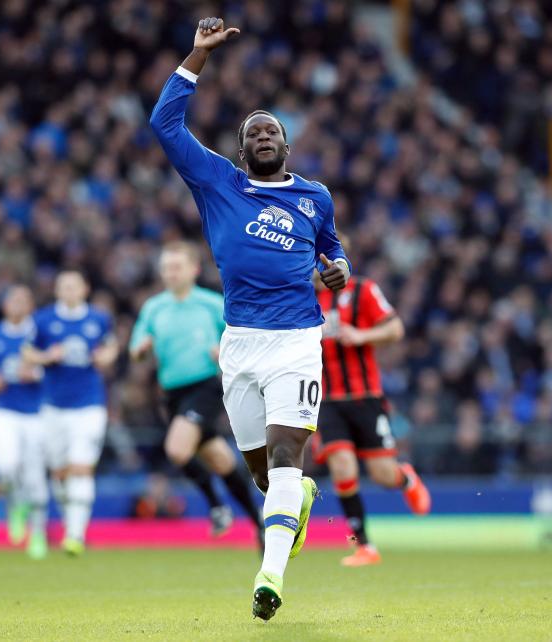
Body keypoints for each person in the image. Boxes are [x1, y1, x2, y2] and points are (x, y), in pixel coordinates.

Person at [150, 17, 351, 621]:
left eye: (274, 131)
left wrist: (336, 267)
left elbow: (332, 248)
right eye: (254, 132)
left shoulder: (313, 197)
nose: (264, 136)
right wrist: (197, 56)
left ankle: (270, 576)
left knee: (288, 454)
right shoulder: (218, 183)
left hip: (296, 339)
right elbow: (164, 124)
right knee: (263, 472)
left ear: (286, 147)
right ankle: (298, 500)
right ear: (242, 151)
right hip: (238, 344)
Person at [130, 241, 264, 544]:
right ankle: (259, 523)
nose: (170, 273)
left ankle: (217, 507)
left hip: (204, 387)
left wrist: (225, 354)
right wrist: (140, 351)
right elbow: (136, 349)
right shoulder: (154, 308)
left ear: (194, 269)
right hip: (171, 396)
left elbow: (242, 342)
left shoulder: (212, 304)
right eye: (166, 268)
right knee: (220, 460)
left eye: (176, 267)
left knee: (177, 449)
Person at [312, 260, 431, 567]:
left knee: (382, 474)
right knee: (342, 467)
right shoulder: (301, 297)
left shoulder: (363, 289)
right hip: (326, 401)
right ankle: (364, 546)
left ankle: (405, 479)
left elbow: (395, 328)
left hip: (366, 398)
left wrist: (362, 336)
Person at [23, 271, 117, 556]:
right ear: (57, 290)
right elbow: (27, 352)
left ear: (85, 288)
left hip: (89, 405)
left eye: (74, 286)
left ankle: (76, 535)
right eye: (63, 286)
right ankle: (70, 525)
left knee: (81, 465)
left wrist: (106, 357)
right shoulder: (43, 320)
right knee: (60, 472)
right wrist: (45, 357)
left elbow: (112, 346)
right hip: (53, 406)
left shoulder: (98, 318)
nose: (69, 291)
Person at [0, 285, 49, 559]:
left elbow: (55, 366)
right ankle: (16, 503)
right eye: (12, 300)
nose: (17, 305)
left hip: (37, 412)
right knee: (5, 467)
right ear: (4, 304)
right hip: (4, 410)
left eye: (23, 300)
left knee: (35, 476)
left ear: (31, 305)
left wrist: (38, 372)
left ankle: (38, 534)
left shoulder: (39, 332)